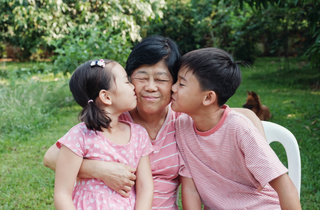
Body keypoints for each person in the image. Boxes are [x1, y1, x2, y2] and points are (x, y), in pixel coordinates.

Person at [44, 36, 266, 210]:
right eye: (141, 77)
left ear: (175, 83)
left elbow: (243, 116)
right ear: (128, 81)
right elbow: (51, 157)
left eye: (161, 79)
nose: (150, 87)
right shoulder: (113, 119)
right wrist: (100, 169)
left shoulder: (184, 120)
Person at [171, 48, 301, 210]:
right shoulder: (181, 126)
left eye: (181, 84)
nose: (173, 88)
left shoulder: (240, 129)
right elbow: (190, 189)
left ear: (208, 97)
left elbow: (285, 187)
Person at [53, 59, 154, 210]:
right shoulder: (80, 136)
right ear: (106, 97)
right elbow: (62, 193)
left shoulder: (139, 135)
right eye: (126, 81)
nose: (133, 86)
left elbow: (145, 187)